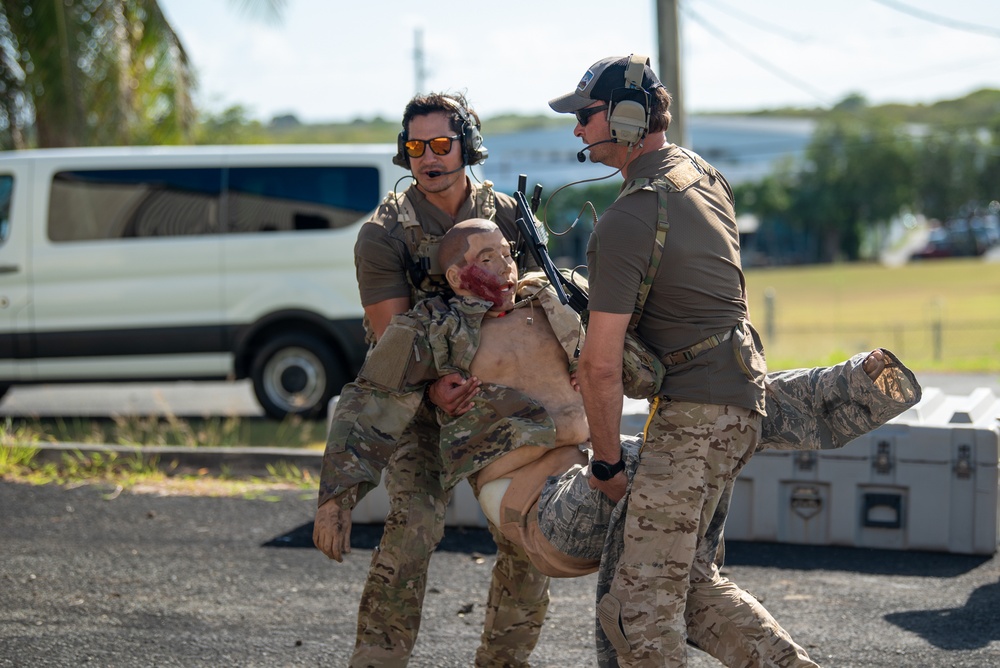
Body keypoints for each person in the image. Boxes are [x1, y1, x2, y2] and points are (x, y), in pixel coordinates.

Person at [315, 221, 922, 664]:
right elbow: (368, 403)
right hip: (535, 510)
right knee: (682, 446)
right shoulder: (433, 328)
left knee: (688, 579)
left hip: (599, 485)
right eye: (486, 256)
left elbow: (646, 371)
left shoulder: (553, 301)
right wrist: (337, 497)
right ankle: (844, 390)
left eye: (505, 250)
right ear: (454, 274)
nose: (503, 263)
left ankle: (855, 391)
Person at [547, 53, 812, 666]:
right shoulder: (701, 174)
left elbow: (601, 367)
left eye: (585, 116)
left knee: (638, 608)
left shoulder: (628, 218)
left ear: (628, 116)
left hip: (693, 423)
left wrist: (607, 465)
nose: (578, 130)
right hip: (739, 404)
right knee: (690, 590)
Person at [323, 93, 547, 668]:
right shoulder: (384, 234)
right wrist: (431, 391)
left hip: (497, 400)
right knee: (415, 521)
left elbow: (537, 311)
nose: (429, 158)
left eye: (442, 144)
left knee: (523, 528)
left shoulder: (511, 218)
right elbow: (390, 340)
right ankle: (377, 658)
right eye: (416, 146)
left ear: (466, 146)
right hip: (414, 402)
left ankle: (504, 660)